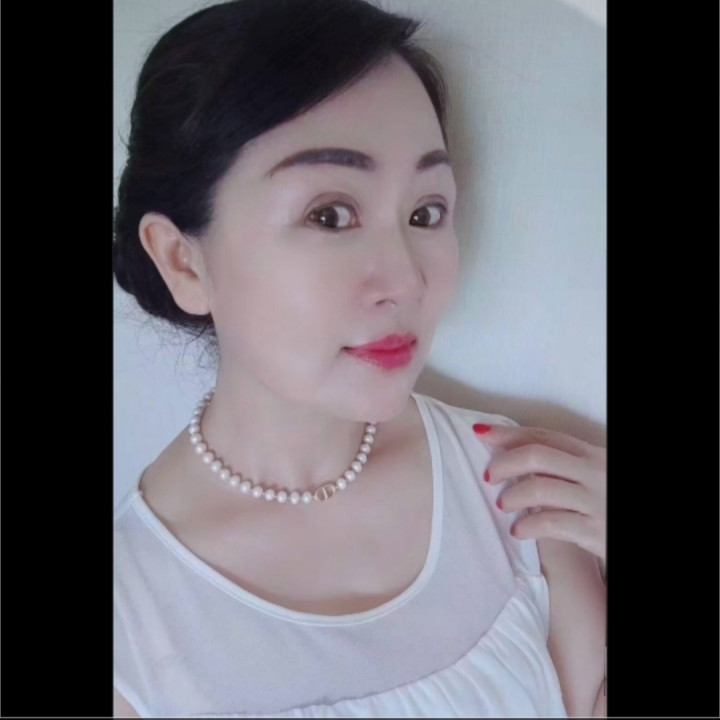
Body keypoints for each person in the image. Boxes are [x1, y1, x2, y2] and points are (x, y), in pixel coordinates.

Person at [113, 0, 607, 716]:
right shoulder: (133, 630)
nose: (407, 279)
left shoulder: (512, 485)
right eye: (330, 215)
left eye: (426, 213)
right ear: (183, 261)